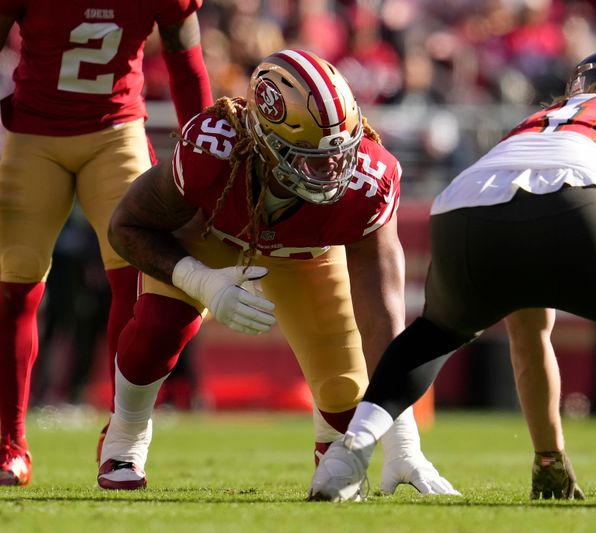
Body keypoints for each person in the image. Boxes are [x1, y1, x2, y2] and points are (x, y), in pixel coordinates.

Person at [309, 49, 596, 508]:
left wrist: (549, 456)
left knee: (435, 332)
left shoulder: (542, 122)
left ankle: (346, 458)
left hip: (462, 208)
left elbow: (529, 337)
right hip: (578, 203)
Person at [97, 48, 459, 497]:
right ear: (262, 139)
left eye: (338, 151)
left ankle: (333, 455)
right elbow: (126, 226)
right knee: (158, 326)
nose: (332, 170)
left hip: (308, 256)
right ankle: (125, 440)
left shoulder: (367, 179)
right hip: (211, 238)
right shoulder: (215, 147)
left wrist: (403, 440)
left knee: (344, 386)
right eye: (309, 155)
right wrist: (200, 280)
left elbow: (381, 314)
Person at [0, 0, 213, 486]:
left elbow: (188, 67)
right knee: (15, 284)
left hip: (116, 132)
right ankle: (9, 442)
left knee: (140, 282)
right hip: (33, 135)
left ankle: (122, 439)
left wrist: (204, 155)